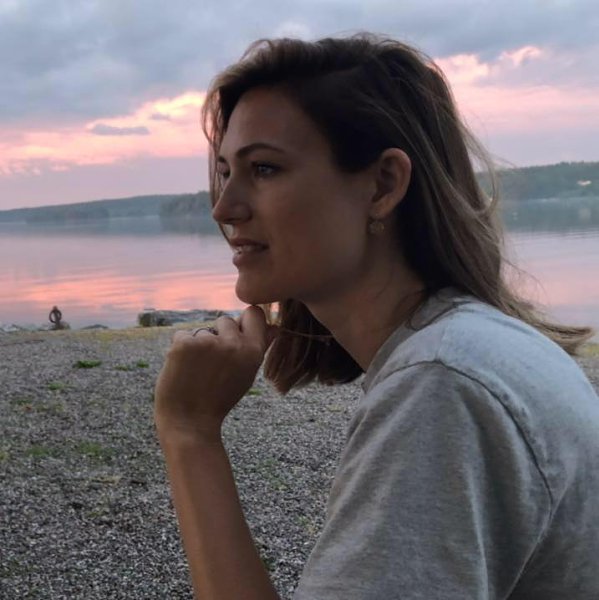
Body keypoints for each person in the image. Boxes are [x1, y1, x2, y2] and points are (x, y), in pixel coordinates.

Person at [153, 33, 599, 599]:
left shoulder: (441, 387)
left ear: (383, 185)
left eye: (263, 168)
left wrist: (189, 432)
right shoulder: (474, 350)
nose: (224, 208)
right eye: (224, 172)